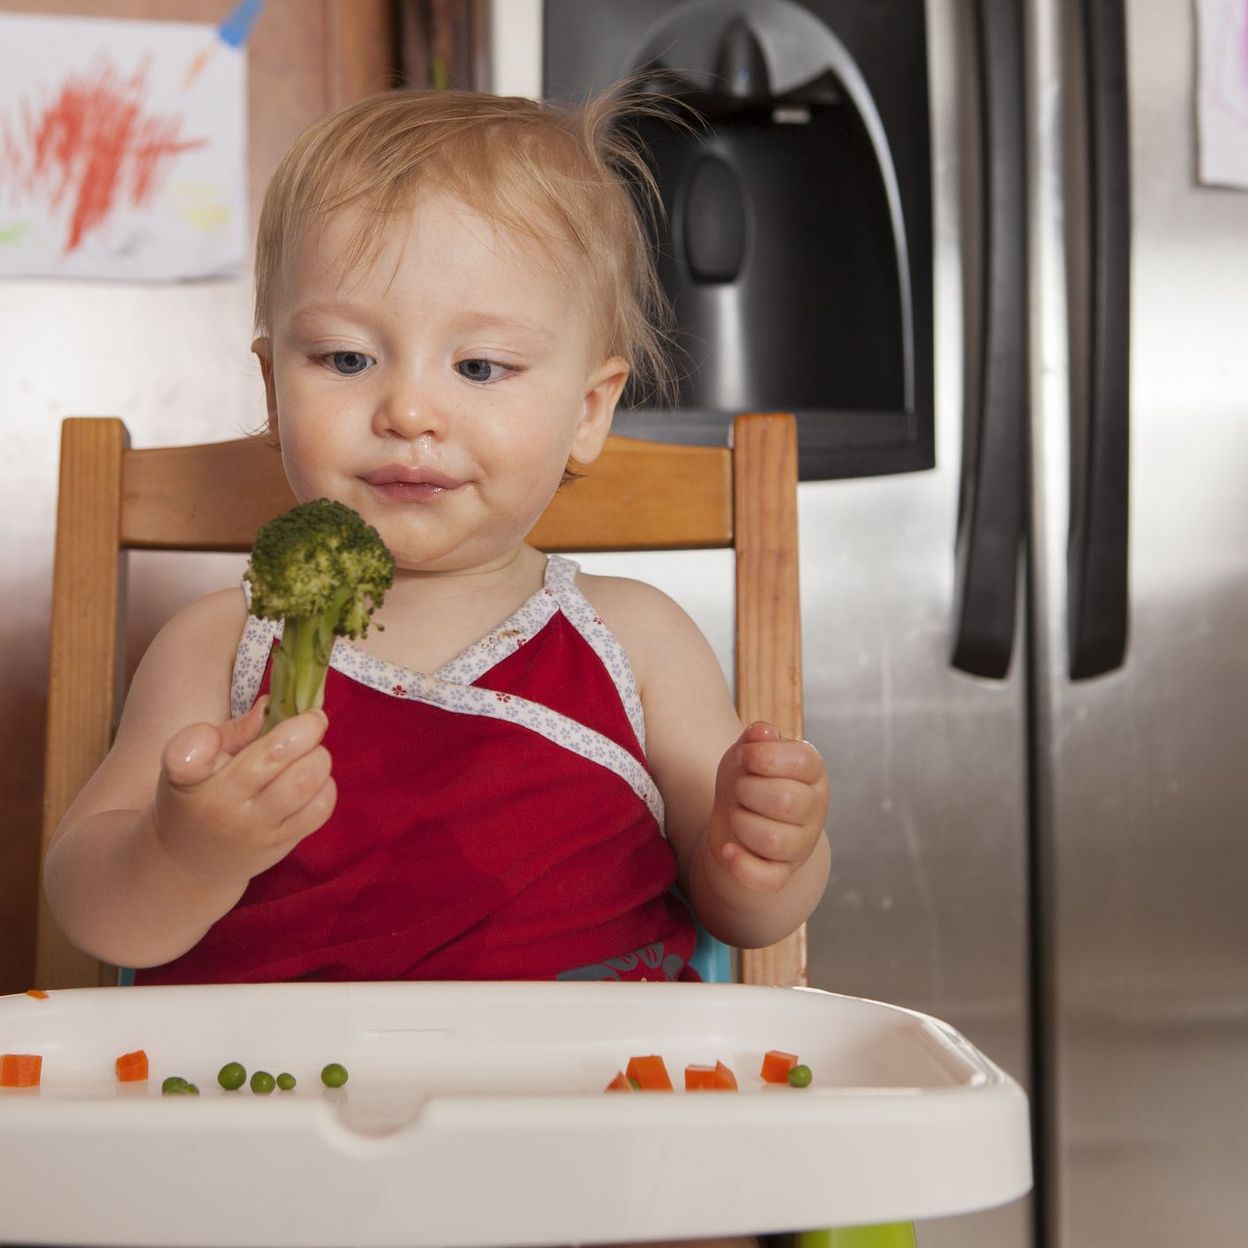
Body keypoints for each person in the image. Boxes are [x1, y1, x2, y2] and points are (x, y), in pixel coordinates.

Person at [44, 86, 830, 1246]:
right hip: (263, 1170)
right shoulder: (223, 645)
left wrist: (767, 851)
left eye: (483, 368)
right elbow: (92, 909)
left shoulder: (640, 639)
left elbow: (747, 913)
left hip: (592, 1157)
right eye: (347, 355)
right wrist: (182, 848)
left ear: (588, 410)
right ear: (272, 384)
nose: (408, 408)